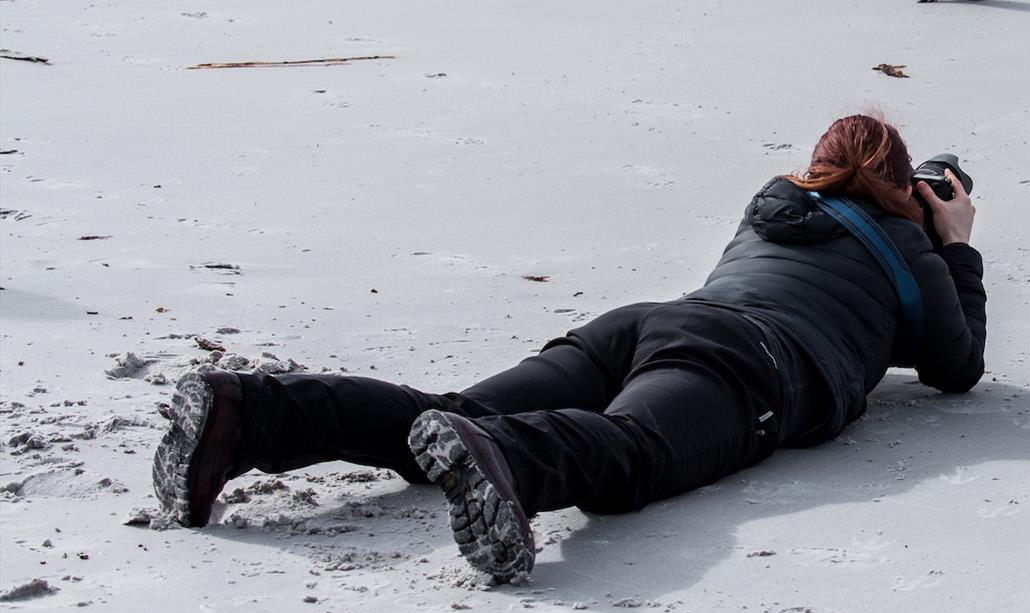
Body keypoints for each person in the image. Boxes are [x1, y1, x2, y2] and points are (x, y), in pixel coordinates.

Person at [150, 115, 986, 583]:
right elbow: (957, 369)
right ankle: (510, 462)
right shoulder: (912, 253)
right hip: (749, 364)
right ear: (905, 183)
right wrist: (953, 240)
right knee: (635, 453)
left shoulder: (773, 205)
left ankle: (244, 412)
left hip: (646, 324)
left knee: (450, 413)